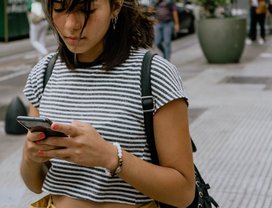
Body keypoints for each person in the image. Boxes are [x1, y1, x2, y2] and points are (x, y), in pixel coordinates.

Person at [20, 0, 195, 208]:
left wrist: (110, 157)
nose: (70, 25)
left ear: (116, 6)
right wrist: (30, 157)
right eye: (59, 9)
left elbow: (183, 193)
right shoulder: (43, 74)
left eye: (87, 10)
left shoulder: (154, 74)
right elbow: (35, 184)